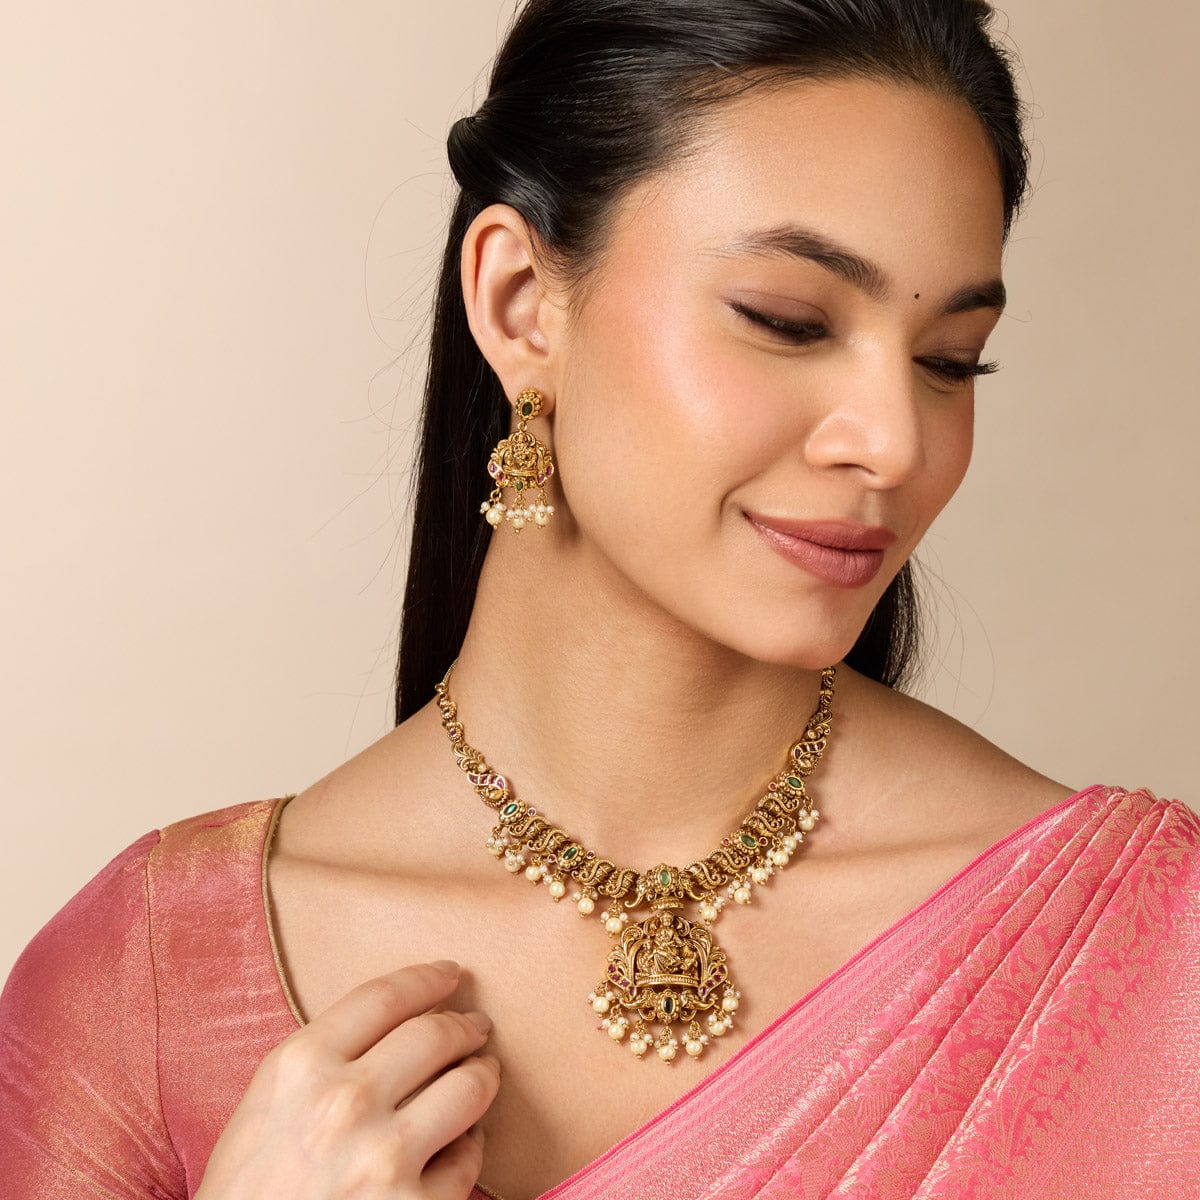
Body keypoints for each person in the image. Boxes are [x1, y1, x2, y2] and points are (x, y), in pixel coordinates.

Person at [2, 1, 1197, 1197]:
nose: (895, 441)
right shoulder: (145, 994)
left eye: (949, 361)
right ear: (522, 301)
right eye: (788, 322)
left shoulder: (1149, 955)